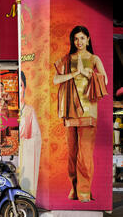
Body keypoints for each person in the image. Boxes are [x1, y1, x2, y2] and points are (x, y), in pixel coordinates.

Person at [53, 25, 108, 203]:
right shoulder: (67, 59)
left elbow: (104, 79)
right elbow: (56, 79)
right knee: (72, 154)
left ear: (88, 39)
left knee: (84, 155)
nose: (79, 42)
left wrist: (88, 73)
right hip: (70, 112)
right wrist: (75, 72)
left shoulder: (94, 59)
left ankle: (84, 191)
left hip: (88, 112)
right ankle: (74, 188)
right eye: (76, 39)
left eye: (82, 38)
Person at [18, 71, 42, 197]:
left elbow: (36, 137)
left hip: (27, 157)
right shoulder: (11, 110)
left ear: (25, 88)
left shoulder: (29, 111)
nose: (19, 90)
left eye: (21, 86)